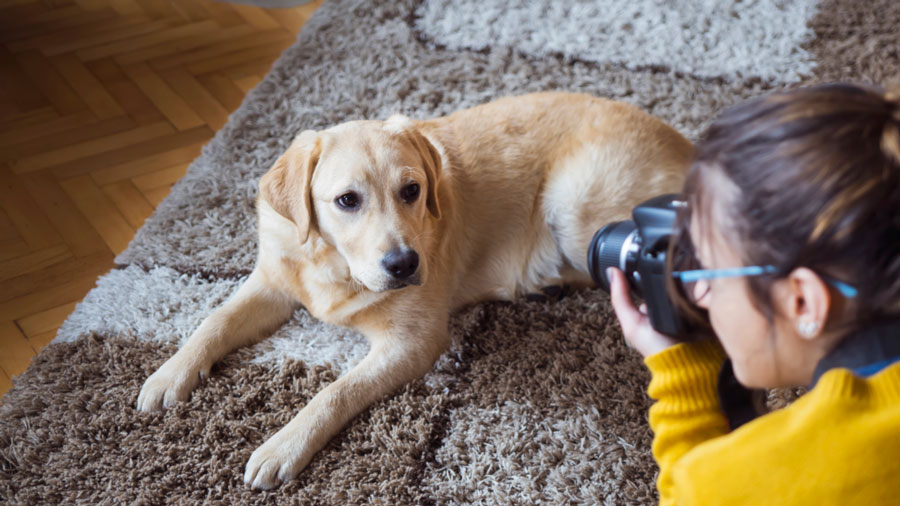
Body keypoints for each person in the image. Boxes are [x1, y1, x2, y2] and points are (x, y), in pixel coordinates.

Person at [606, 83, 900, 505]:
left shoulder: (758, 476)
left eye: (708, 270)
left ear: (803, 301)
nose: (699, 295)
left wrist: (680, 374)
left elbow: (693, 492)